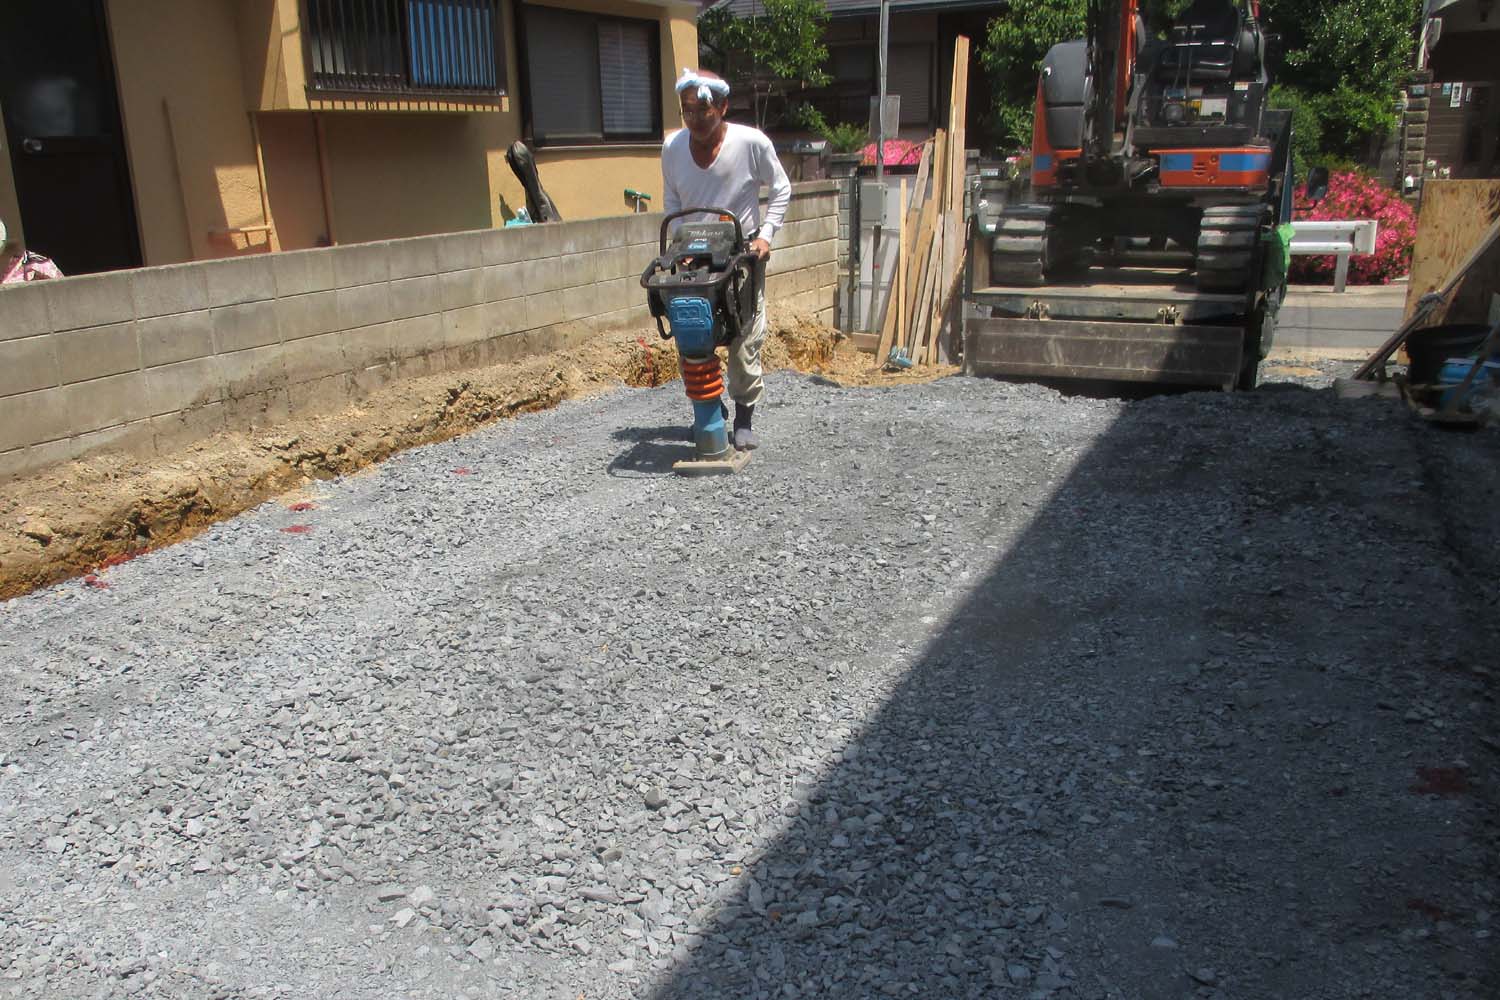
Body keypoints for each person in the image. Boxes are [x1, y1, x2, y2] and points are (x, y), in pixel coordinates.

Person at [662, 68, 791, 452]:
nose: (696, 120)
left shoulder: (751, 143)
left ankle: (745, 418)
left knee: (744, 336)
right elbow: (672, 200)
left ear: (722, 107)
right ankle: (710, 409)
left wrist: (766, 235)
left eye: (704, 112)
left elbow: (781, 188)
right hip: (694, 254)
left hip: (742, 253)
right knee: (693, 333)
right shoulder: (672, 148)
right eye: (688, 112)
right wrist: (677, 245)